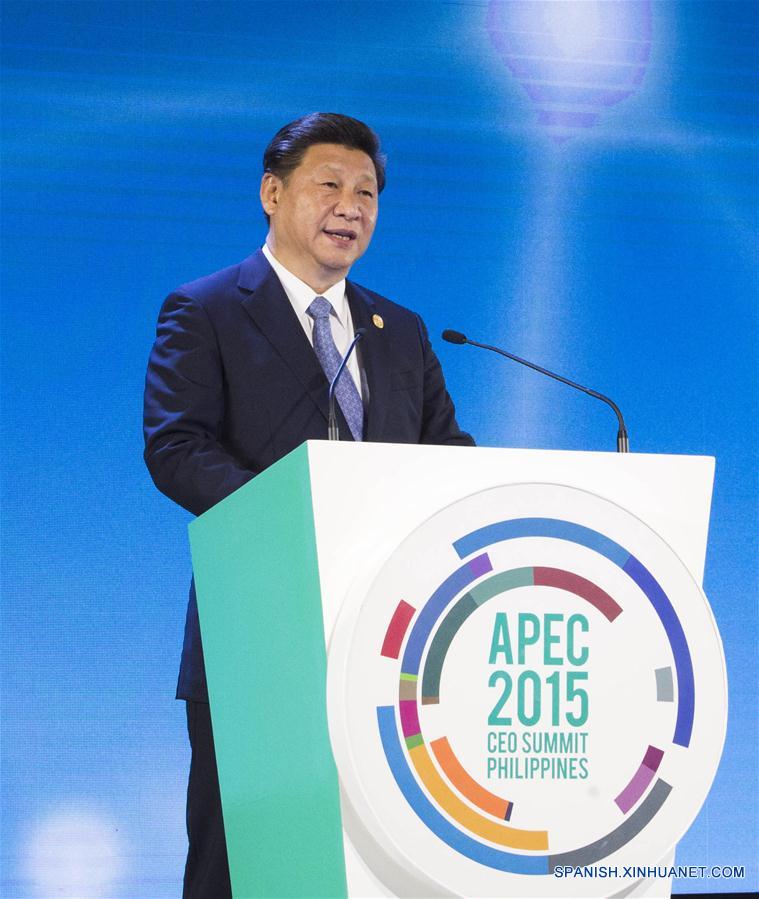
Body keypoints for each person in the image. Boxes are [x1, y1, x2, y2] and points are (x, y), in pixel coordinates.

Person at [143, 112, 473, 898]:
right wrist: (299, 516)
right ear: (272, 192)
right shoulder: (206, 308)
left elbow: (446, 454)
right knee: (240, 862)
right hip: (259, 628)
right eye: (329, 184)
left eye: (366, 193)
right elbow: (177, 446)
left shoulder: (401, 329)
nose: (350, 206)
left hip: (391, 647)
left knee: (378, 859)